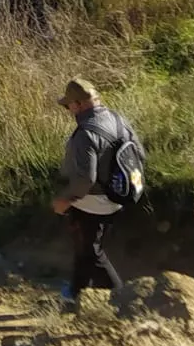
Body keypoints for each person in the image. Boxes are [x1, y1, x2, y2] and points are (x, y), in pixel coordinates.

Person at [52, 78, 137, 303]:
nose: (68, 110)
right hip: (118, 195)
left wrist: (65, 199)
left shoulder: (85, 134)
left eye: (68, 105)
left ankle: (121, 299)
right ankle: (74, 293)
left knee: (92, 252)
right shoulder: (119, 119)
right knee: (86, 248)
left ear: (78, 104)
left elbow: (85, 179)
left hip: (92, 202)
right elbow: (140, 155)